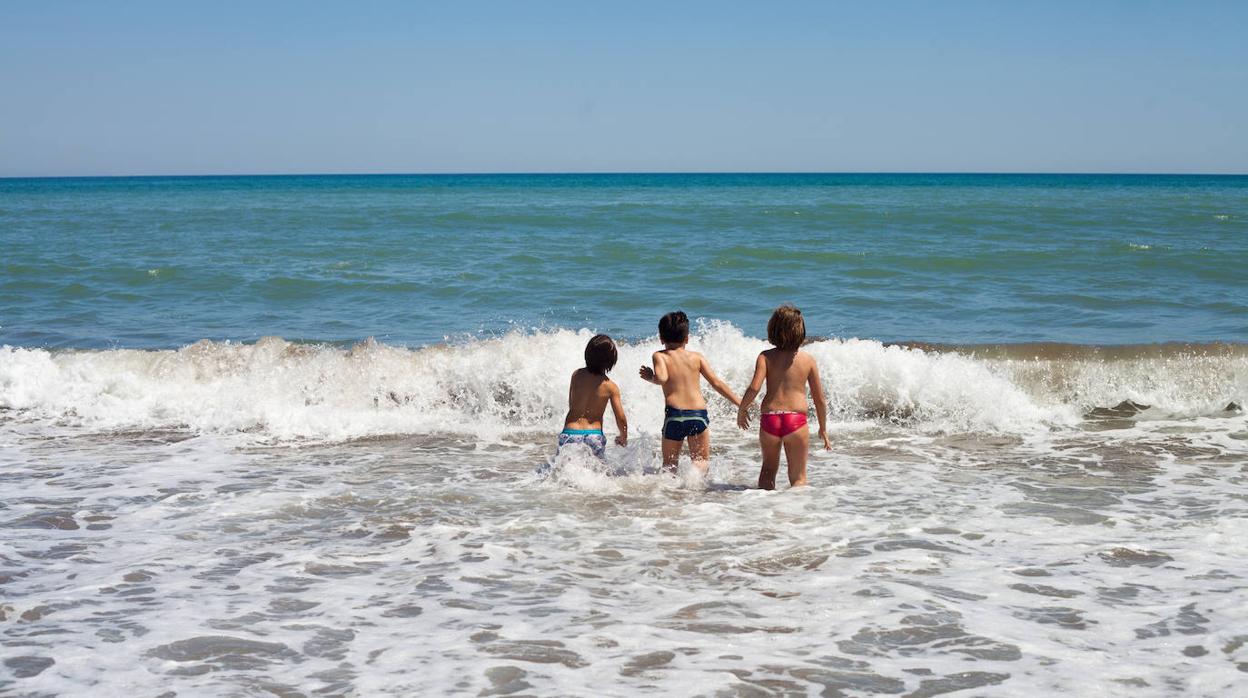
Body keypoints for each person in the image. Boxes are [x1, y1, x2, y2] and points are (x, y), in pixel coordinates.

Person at [736, 305, 831, 489]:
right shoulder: (808, 360)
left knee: (768, 472)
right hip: (795, 420)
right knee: (799, 478)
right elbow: (819, 399)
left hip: (770, 419)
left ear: (773, 329)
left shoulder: (765, 357)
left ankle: (765, 513)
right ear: (801, 331)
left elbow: (754, 387)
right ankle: (793, 514)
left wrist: (742, 409)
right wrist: (823, 429)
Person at [639, 311, 741, 473]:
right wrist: (739, 403)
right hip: (697, 415)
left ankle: (671, 495)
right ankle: (694, 492)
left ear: (661, 339)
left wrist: (651, 377)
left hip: (674, 415)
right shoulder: (697, 357)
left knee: (670, 466)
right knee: (700, 462)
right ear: (687, 338)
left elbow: (662, 378)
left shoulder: (660, 356)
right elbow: (716, 382)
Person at [558, 334, 628, 459]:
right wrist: (623, 436)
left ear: (587, 354)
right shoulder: (611, 387)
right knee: (595, 473)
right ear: (611, 361)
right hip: (594, 435)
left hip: (570, 432)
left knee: (564, 472)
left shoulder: (577, 375)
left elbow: (571, 403)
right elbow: (621, 418)